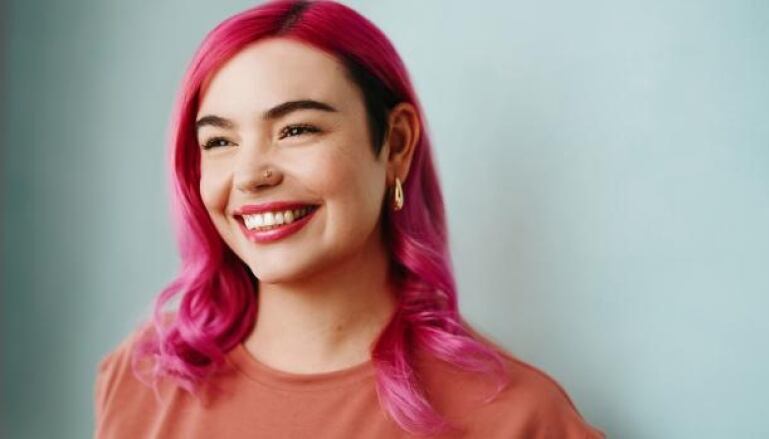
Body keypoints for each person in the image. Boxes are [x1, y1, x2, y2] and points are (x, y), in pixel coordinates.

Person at [93, 1, 606, 437]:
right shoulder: (139, 381)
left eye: (296, 130)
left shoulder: (519, 419)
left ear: (397, 144)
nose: (250, 176)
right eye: (220, 142)